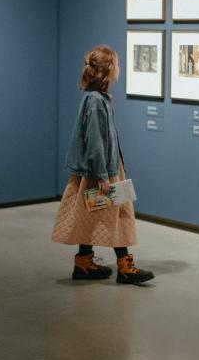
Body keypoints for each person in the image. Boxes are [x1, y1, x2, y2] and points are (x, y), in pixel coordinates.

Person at [52, 44, 154, 285]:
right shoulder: (97, 101)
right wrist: (103, 175)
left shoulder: (97, 98)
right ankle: (125, 266)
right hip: (103, 170)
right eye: (117, 64)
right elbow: (96, 139)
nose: (120, 68)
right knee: (121, 215)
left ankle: (84, 262)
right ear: (108, 70)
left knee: (88, 213)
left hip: (100, 169)